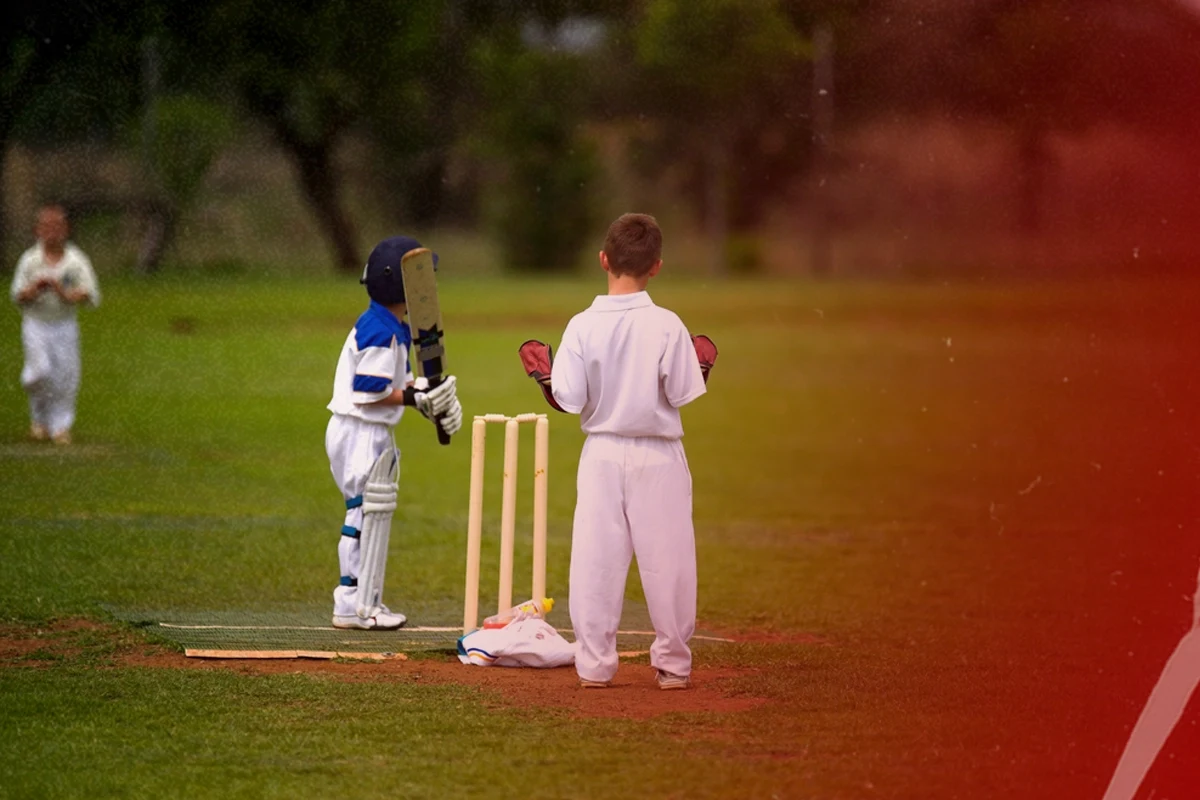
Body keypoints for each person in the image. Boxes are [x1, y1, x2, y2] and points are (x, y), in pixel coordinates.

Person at [524, 213, 710, 690]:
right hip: (659, 453)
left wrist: (545, 378)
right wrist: (701, 365)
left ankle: (594, 666)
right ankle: (673, 664)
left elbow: (567, 398)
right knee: (669, 559)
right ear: (657, 266)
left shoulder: (582, 325)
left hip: (602, 452)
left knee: (595, 559)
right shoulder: (668, 325)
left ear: (604, 259)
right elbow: (685, 391)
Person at [325, 235, 462, 630]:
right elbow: (370, 391)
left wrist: (431, 395)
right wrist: (416, 401)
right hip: (359, 432)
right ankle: (353, 603)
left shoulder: (389, 325)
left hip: (366, 431)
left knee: (370, 512)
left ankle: (363, 600)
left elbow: (398, 383)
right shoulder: (380, 332)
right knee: (364, 513)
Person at [10, 204, 101, 445]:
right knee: (39, 373)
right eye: (47, 226)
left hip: (64, 325)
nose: (52, 232)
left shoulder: (76, 260)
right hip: (36, 324)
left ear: (66, 229)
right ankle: (39, 419)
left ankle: (59, 427)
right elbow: (17, 295)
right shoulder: (30, 260)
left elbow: (89, 294)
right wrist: (33, 290)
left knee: (65, 377)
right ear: (37, 230)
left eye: (57, 226)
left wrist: (64, 293)